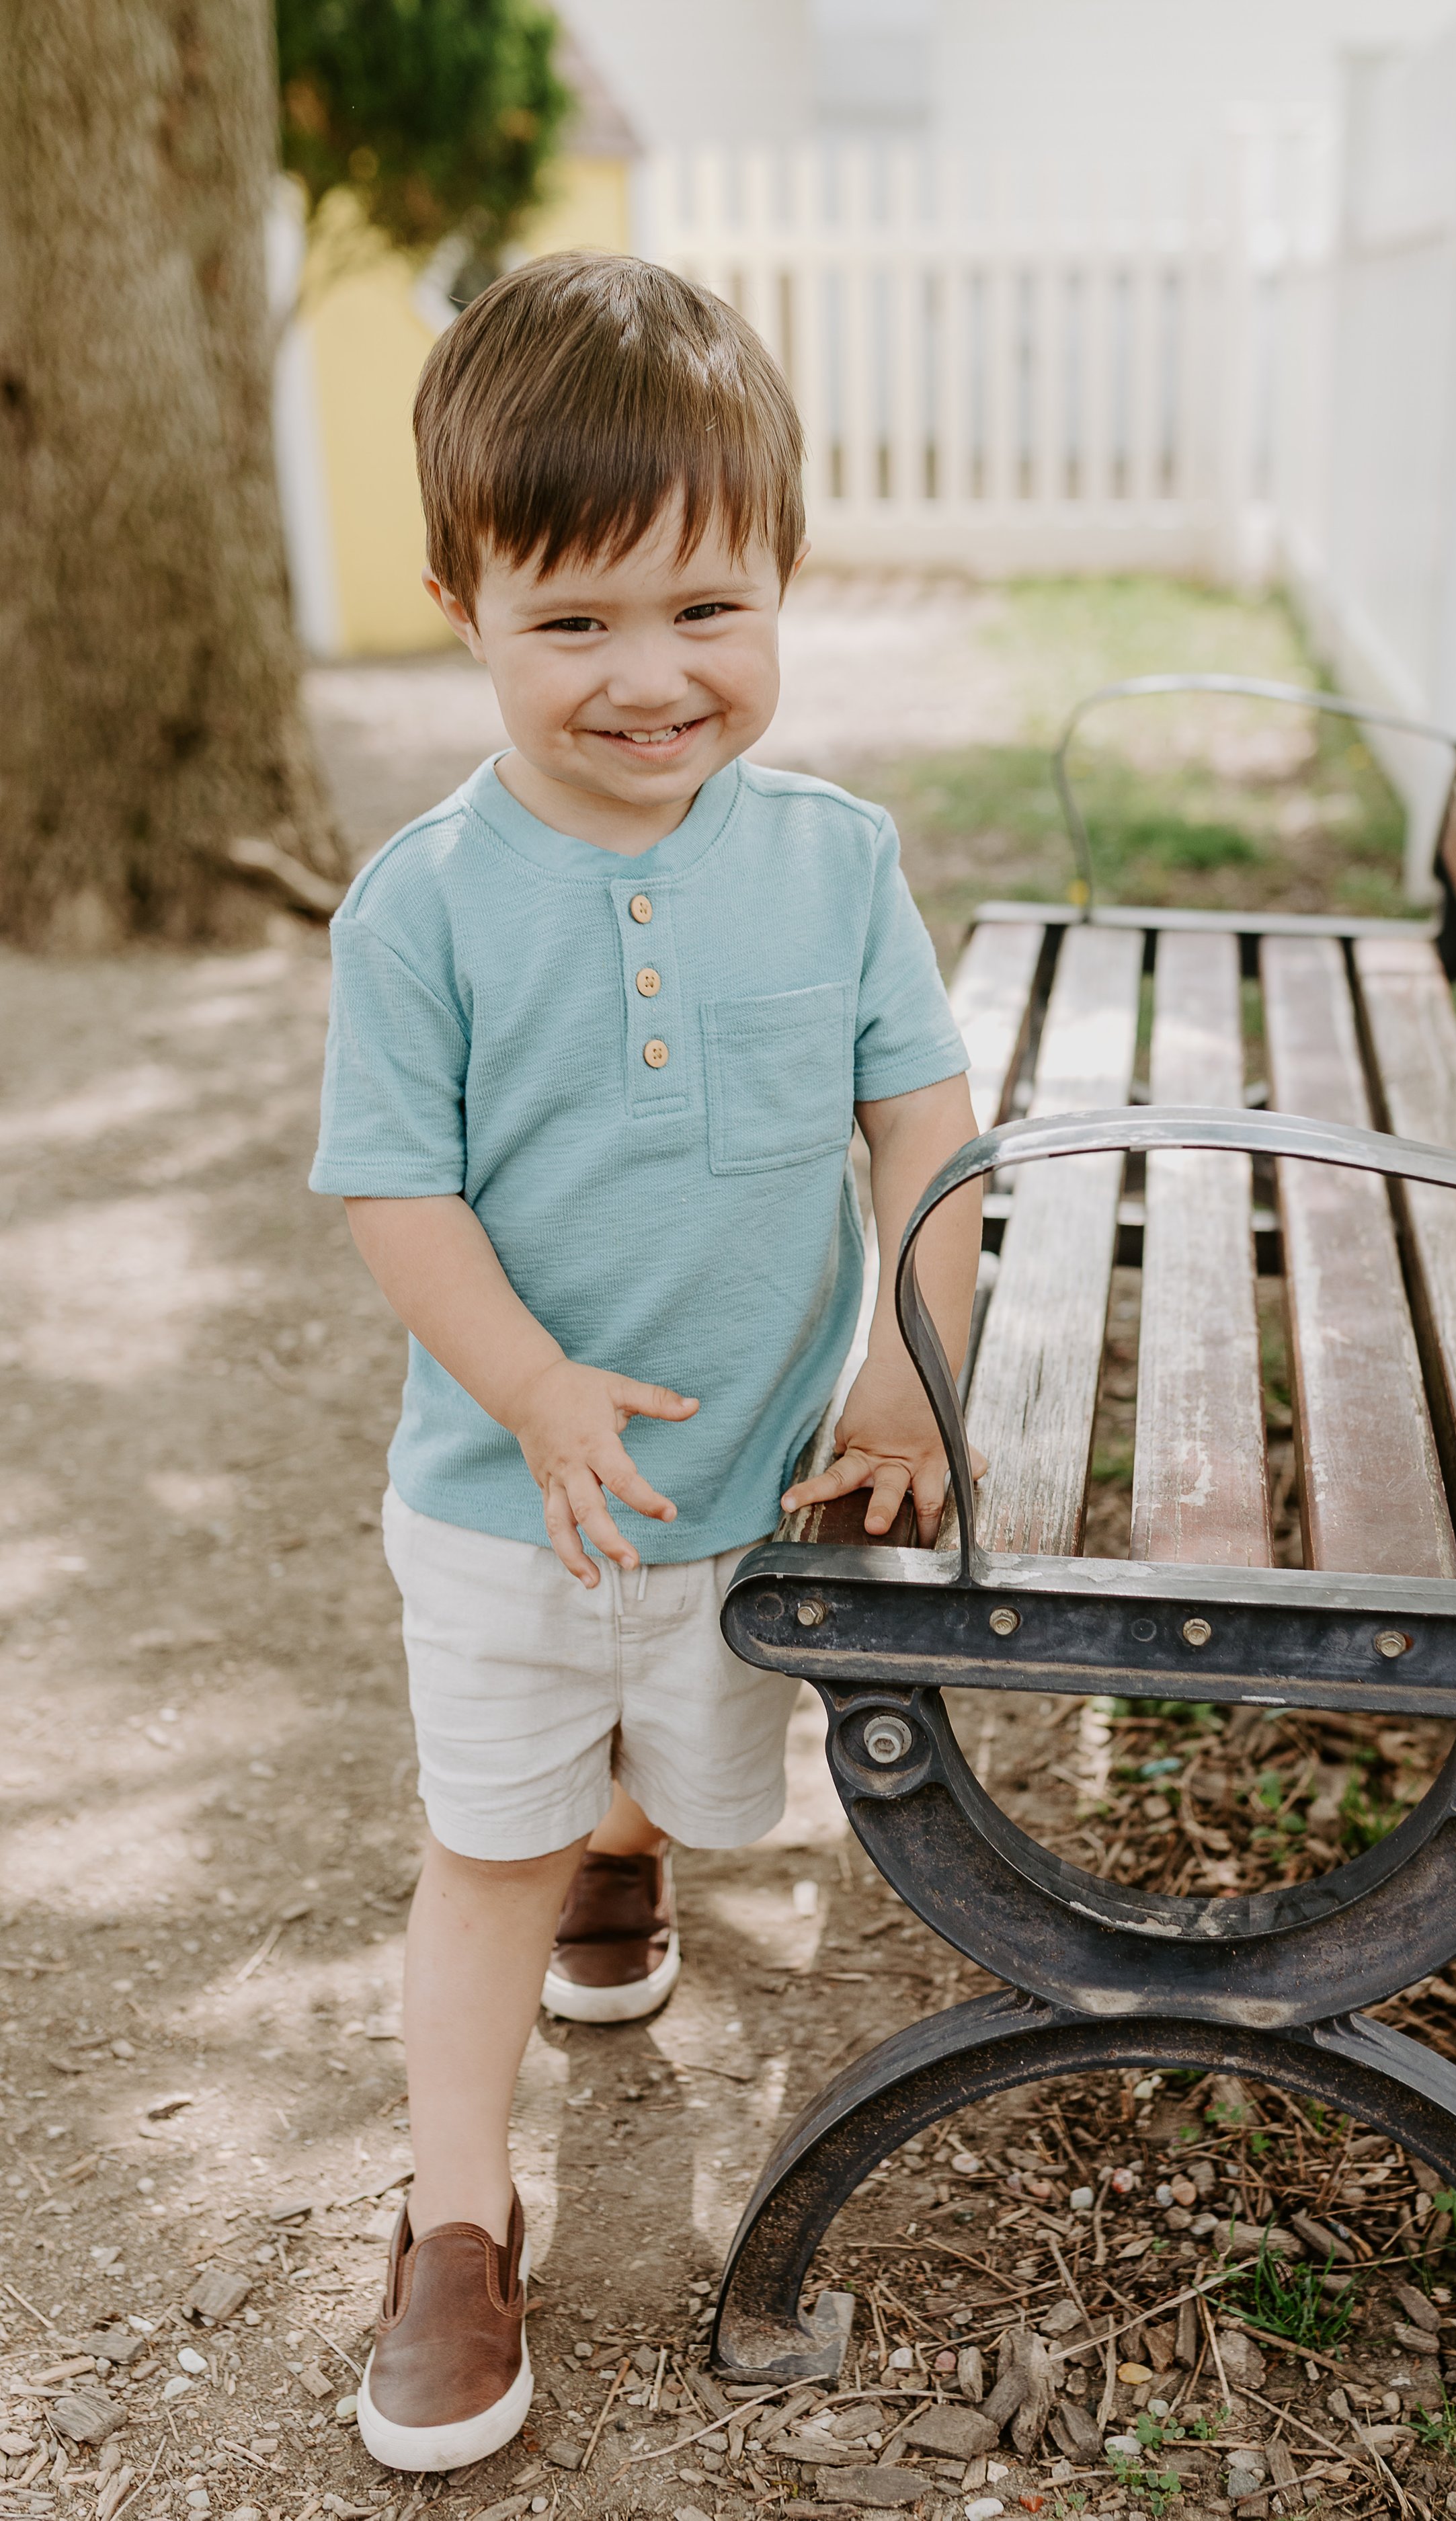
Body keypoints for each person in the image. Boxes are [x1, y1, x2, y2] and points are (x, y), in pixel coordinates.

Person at [309, 251, 982, 2472]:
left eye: (703, 608)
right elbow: (398, 1194)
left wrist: (904, 1365)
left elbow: (924, 1126)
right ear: (460, 603)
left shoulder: (833, 860)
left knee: (695, 1766)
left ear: (779, 582)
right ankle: (456, 2220)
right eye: (570, 621)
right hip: (515, 1497)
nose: (649, 677)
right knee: (481, 1842)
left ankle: (637, 1848)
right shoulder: (422, 906)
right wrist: (525, 1382)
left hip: (759, 1472)